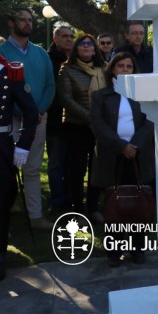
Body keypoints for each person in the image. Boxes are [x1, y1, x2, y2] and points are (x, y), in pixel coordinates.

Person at [90, 52, 155, 267]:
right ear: (113, 70)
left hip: (138, 156)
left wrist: (134, 144)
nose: (125, 70)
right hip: (112, 156)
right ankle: (114, 251)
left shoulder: (143, 95)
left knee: (138, 202)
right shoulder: (100, 96)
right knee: (114, 204)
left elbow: (150, 121)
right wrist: (121, 146)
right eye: (121, 66)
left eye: (129, 66)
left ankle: (137, 248)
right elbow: (98, 125)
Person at [0, 8, 55, 229]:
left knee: (32, 169)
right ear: (12, 23)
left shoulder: (41, 53)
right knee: (5, 169)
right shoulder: (1, 53)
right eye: (22, 19)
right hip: (8, 121)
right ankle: (6, 211)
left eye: (30, 20)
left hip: (37, 119)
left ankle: (35, 216)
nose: (27, 23)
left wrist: (39, 110)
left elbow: (51, 84)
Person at [57, 34, 107, 220]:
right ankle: (77, 209)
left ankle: (93, 207)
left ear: (95, 49)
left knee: (97, 168)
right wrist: (91, 118)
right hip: (77, 126)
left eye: (90, 44)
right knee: (77, 169)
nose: (86, 47)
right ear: (76, 48)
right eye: (82, 44)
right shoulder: (67, 70)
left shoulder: (104, 69)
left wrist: (100, 120)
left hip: (100, 127)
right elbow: (67, 100)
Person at [0, 55, 39, 280]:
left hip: (0, 145)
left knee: (1, 200)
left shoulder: (9, 73)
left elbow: (31, 111)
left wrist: (23, 145)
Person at [46, 25, 74, 213]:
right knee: (56, 163)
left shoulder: (77, 59)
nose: (69, 39)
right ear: (55, 38)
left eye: (71, 36)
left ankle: (71, 198)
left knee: (73, 163)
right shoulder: (46, 60)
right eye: (64, 36)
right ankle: (57, 201)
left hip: (75, 121)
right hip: (54, 120)